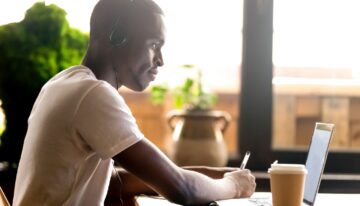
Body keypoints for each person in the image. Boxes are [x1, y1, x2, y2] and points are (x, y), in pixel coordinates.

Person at [13, 0, 256, 205]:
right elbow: (182, 189)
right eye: (153, 45)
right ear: (117, 36)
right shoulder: (92, 94)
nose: (160, 60)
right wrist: (233, 186)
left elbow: (119, 181)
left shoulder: (63, 83)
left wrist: (217, 176)